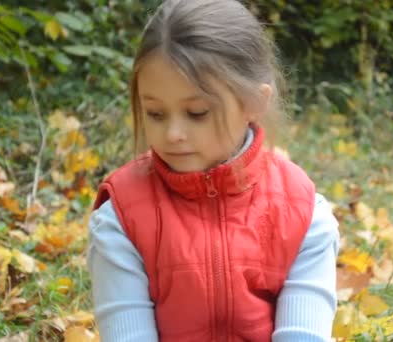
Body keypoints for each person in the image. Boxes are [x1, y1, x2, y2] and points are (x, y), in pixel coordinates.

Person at [86, 0, 340, 341]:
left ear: (254, 103)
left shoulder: (303, 212)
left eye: (197, 112)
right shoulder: (121, 216)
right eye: (156, 114)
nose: (173, 133)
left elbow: (303, 335)